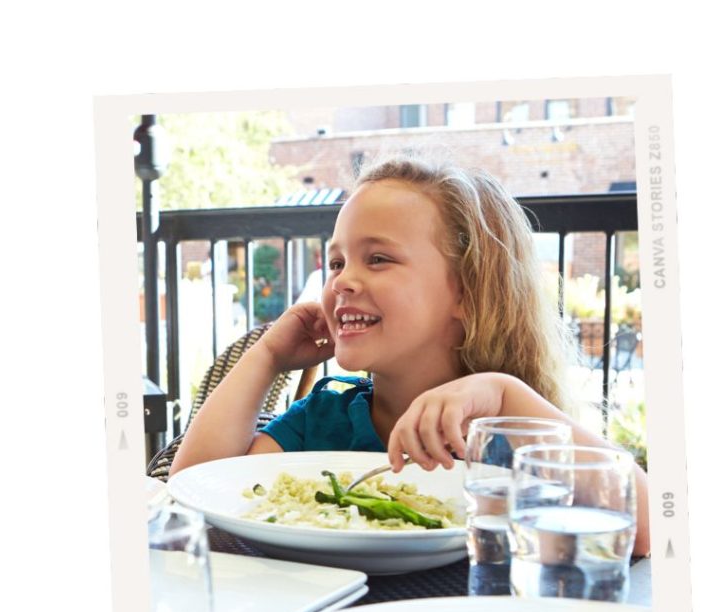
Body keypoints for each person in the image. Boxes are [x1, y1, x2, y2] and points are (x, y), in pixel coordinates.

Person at [170, 155, 650, 555]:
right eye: (336, 262)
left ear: (468, 293)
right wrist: (266, 356)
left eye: (378, 258)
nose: (342, 281)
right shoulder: (324, 418)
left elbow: (647, 529)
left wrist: (503, 394)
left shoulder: (509, 432)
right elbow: (195, 488)